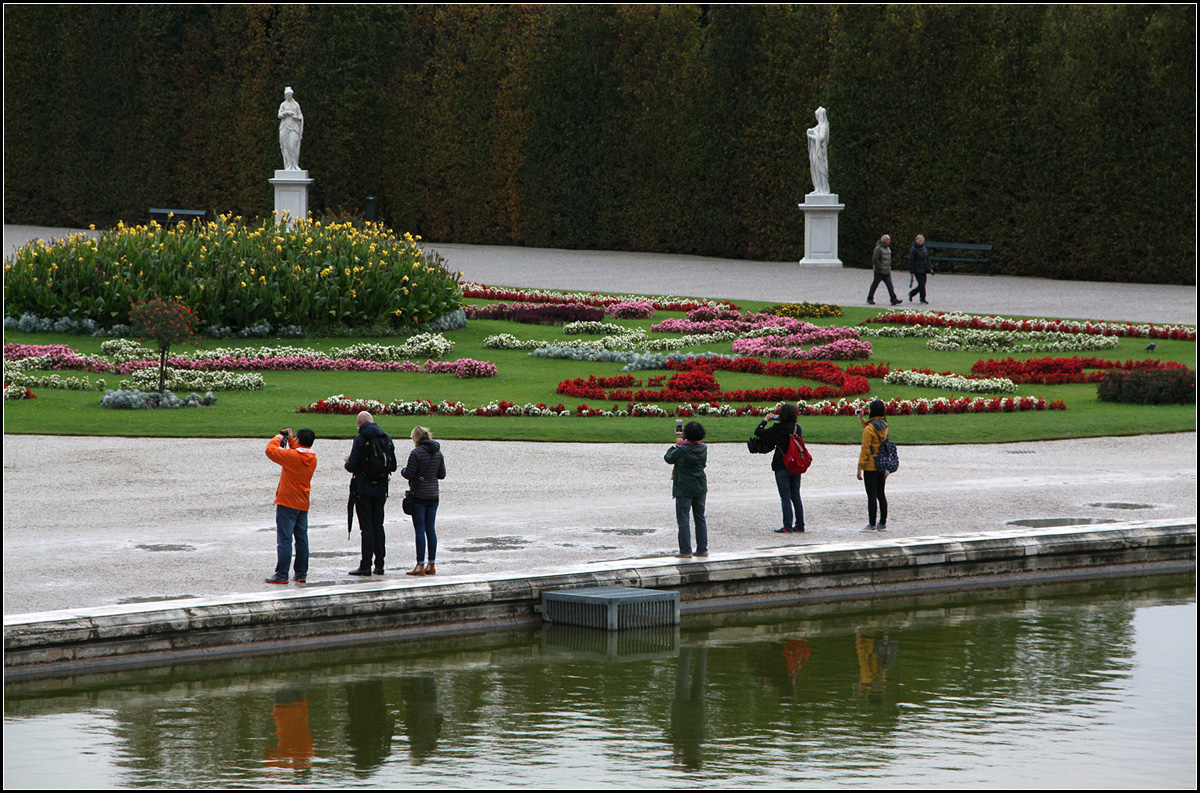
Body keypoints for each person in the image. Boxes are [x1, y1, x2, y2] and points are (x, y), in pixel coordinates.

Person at [345, 411, 397, 576]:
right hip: (381, 488)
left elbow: (352, 466)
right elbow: (393, 466)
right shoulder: (386, 438)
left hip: (363, 488)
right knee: (378, 526)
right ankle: (380, 564)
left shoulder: (360, 439)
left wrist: (347, 462)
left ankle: (365, 564)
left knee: (366, 528)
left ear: (360, 423)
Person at [264, 428, 317, 584]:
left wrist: (279, 437)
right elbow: (298, 451)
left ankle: (282, 574)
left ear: (299, 440)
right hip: (303, 503)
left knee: (285, 540)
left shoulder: (292, 456)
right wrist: (293, 440)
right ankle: (301, 573)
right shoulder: (312, 458)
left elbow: (270, 450)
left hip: (287, 502)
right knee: (301, 540)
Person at [754, 403, 806, 533]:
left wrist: (765, 421)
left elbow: (758, 432)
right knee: (796, 495)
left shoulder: (777, 428)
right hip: (795, 465)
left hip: (782, 465)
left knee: (785, 497)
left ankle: (787, 526)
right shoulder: (796, 428)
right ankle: (800, 525)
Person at [402, 426, 446, 576]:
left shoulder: (416, 453)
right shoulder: (438, 453)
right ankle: (431, 564)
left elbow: (409, 474)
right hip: (433, 495)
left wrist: (402, 470)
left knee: (420, 530)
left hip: (419, 495)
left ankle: (420, 565)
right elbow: (442, 474)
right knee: (430, 529)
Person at [665, 421, 708, 558]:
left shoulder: (682, 449)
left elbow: (669, 458)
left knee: (683, 519)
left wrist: (675, 445)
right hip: (700, 486)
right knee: (700, 518)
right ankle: (702, 548)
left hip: (684, 487)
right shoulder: (703, 448)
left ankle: (685, 550)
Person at [856, 399, 891, 531]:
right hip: (882, 465)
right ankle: (882, 522)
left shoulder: (869, 429)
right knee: (881, 494)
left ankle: (871, 523)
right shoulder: (885, 426)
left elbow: (865, 449)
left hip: (870, 466)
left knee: (871, 495)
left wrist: (860, 468)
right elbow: (872, 430)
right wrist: (862, 420)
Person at [867, 234, 902, 306]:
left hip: (886, 271)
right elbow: (875, 259)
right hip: (879, 271)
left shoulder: (888, 249)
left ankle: (893, 299)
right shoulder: (878, 249)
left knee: (890, 285)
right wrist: (879, 267)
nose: (889, 241)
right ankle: (870, 298)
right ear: (884, 241)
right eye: (888, 239)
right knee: (875, 285)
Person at [278, 87, 304, 171]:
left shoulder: (296, 105)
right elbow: (279, 115)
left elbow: (300, 116)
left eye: (290, 95)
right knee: (285, 146)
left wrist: (296, 117)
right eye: (288, 95)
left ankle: (295, 164)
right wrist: (285, 113)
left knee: (292, 146)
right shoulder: (283, 104)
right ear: (285, 96)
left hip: (294, 128)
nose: (289, 96)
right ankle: (289, 165)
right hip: (284, 127)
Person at [806, 106, 831, 194]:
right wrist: (810, 131)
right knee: (816, 169)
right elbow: (814, 130)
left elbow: (821, 137)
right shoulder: (819, 126)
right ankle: (818, 188)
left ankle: (824, 189)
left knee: (821, 170)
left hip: (821, 153)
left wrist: (811, 136)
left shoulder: (824, 126)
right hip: (816, 151)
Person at [907, 234, 933, 304]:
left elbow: (927, 259)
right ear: (916, 240)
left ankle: (912, 293)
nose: (920, 241)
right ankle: (922, 298)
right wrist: (912, 272)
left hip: (923, 269)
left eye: (922, 239)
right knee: (921, 284)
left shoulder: (924, 248)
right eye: (919, 239)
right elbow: (911, 261)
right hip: (917, 269)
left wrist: (930, 268)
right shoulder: (914, 249)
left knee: (922, 284)